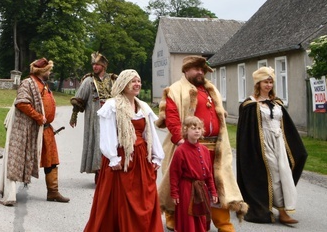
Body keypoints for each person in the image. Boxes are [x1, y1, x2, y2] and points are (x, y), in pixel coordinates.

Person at [157, 55, 247, 232]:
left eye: (202, 70)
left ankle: (223, 222)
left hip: (215, 147)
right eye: (196, 69)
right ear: (186, 70)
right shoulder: (174, 90)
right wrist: (183, 143)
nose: (200, 72)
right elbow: (173, 120)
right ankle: (173, 216)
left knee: (217, 183)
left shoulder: (210, 90)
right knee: (184, 185)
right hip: (187, 146)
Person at [83, 69, 164, 231]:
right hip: (120, 159)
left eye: (139, 81)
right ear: (123, 84)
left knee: (143, 201)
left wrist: (156, 156)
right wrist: (113, 158)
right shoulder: (112, 105)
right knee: (118, 202)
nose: (137, 84)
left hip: (141, 159)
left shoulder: (143, 106)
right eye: (133, 81)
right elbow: (107, 133)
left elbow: (150, 134)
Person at [236, 66, 307, 224]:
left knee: (284, 174)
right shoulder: (250, 105)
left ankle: (283, 207)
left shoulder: (277, 103)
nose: (268, 85)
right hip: (262, 144)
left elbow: (285, 125)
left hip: (279, 143)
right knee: (274, 176)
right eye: (265, 82)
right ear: (258, 84)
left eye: (270, 82)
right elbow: (247, 132)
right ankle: (281, 212)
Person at [0, 57, 69, 206]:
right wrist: (38, 117)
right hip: (30, 129)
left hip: (45, 128)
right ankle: (9, 191)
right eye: (49, 70)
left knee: (52, 159)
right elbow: (22, 103)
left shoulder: (43, 84)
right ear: (42, 71)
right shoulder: (28, 83)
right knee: (19, 159)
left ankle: (53, 192)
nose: (50, 72)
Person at [69, 51, 116, 183]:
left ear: (104, 66)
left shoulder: (113, 80)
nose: (95, 67)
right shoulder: (88, 81)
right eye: (93, 64)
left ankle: (111, 172)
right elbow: (79, 99)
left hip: (111, 118)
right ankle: (98, 172)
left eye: (97, 64)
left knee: (112, 143)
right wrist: (74, 116)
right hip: (95, 118)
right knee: (97, 143)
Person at [170, 116, 219, 232]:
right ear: (186, 130)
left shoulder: (205, 150)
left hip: (201, 189)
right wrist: (174, 193)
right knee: (189, 217)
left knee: (201, 216)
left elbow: (209, 174)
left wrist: (213, 191)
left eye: (199, 128)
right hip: (187, 189)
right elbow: (174, 174)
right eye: (193, 128)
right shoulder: (180, 151)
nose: (197, 130)